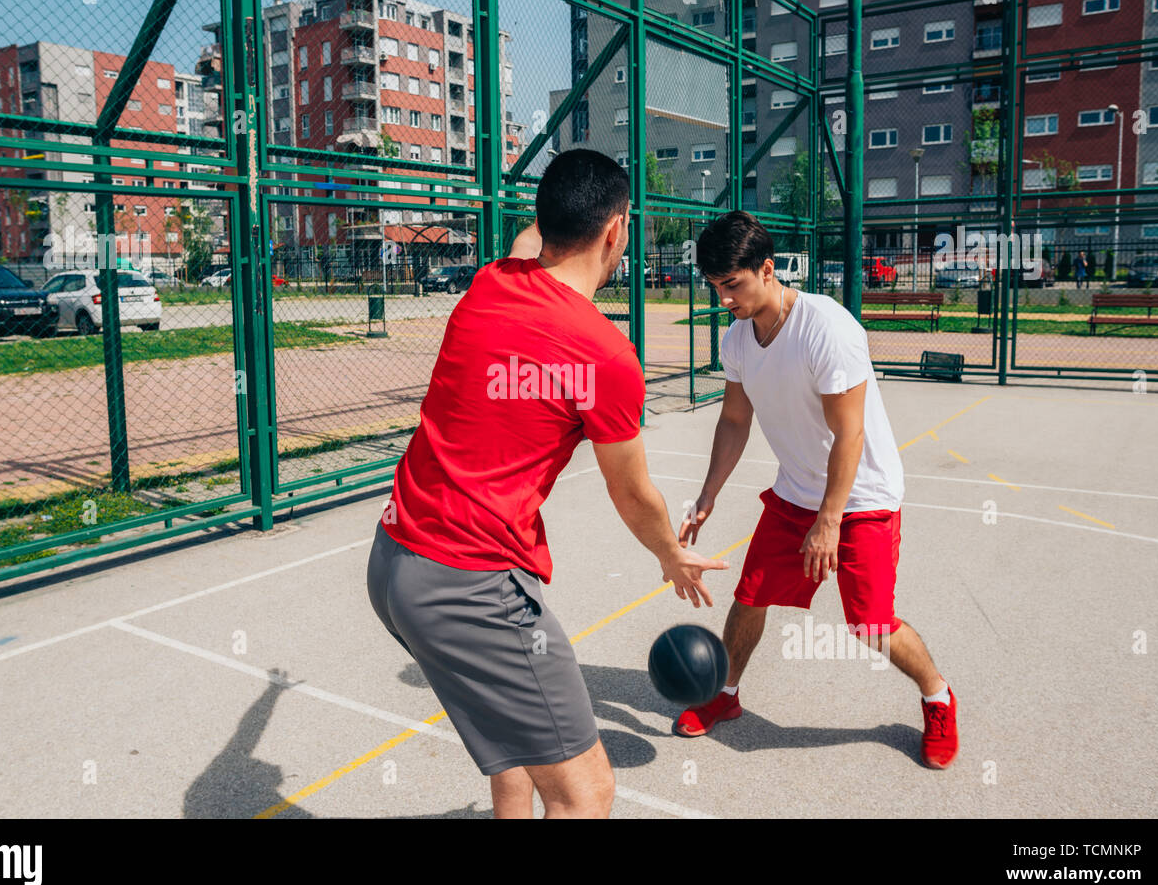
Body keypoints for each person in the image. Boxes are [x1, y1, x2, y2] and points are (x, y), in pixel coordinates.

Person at [368, 149, 728, 818]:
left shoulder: (491, 281)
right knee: (585, 790)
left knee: (516, 749)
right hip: (468, 584)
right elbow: (633, 493)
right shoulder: (606, 356)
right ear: (618, 230)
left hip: (392, 563)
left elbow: (531, 240)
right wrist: (670, 553)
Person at [674, 210, 959, 771]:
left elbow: (849, 433)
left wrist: (829, 520)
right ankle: (725, 695)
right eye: (715, 287)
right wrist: (707, 496)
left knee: (870, 622)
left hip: (862, 496)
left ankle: (937, 696)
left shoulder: (826, 328)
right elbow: (734, 421)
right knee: (750, 596)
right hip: (795, 491)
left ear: (768, 268)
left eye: (733, 285)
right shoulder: (738, 340)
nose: (724, 299)